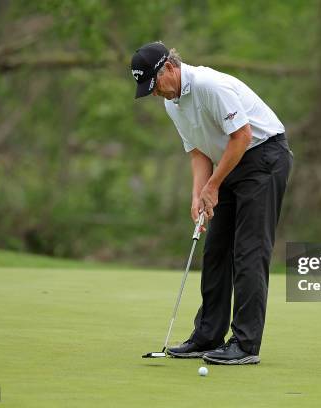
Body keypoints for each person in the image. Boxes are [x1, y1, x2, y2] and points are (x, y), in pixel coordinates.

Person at [131, 42, 292, 365]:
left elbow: (243, 136)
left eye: (154, 84)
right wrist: (199, 193)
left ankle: (246, 345)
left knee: (248, 250)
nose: (154, 93)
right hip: (229, 162)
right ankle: (208, 335)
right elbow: (198, 151)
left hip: (263, 157)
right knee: (215, 250)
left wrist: (214, 185)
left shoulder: (208, 85)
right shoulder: (172, 103)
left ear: (170, 69)